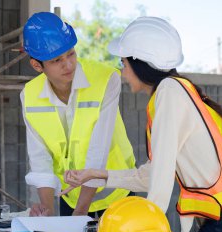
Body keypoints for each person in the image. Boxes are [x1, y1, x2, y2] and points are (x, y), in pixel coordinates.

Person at [62, 16, 222, 232]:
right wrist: (96, 175)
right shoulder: (174, 91)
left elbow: (160, 182)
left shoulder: (169, 92)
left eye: (123, 63)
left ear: (139, 63)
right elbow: (152, 175)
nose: (122, 73)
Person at [20, 12, 136, 218]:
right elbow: (40, 158)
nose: (69, 64)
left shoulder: (106, 79)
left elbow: (97, 151)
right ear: (37, 66)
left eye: (71, 53)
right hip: (71, 198)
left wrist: (80, 213)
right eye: (57, 60)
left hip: (118, 196)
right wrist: (47, 210)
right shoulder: (29, 95)